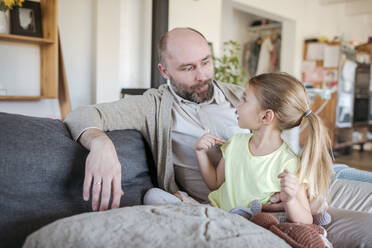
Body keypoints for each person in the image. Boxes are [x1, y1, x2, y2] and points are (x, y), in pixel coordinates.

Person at [64, 27, 247, 211]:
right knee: (153, 197)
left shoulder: (241, 96)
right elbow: (81, 114)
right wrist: (100, 144)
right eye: (188, 68)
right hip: (204, 209)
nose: (202, 76)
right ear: (164, 72)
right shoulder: (152, 106)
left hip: (259, 200)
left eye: (205, 62)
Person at [194, 72, 333, 224]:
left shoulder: (288, 163)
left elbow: (306, 220)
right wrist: (200, 152)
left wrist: (290, 200)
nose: (237, 105)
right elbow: (214, 183)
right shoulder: (235, 143)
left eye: (244, 100)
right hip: (216, 216)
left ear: (266, 117)